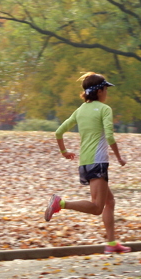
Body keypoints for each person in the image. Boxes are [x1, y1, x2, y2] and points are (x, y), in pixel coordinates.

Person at [43, 72, 130, 254]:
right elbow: (109, 135)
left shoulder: (80, 110)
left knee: (110, 201)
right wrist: (119, 157)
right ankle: (61, 203)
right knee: (97, 207)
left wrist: (64, 152)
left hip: (85, 162)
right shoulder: (105, 109)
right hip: (98, 162)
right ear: (99, 91)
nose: (107, 93)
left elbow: (59, 132)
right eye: (106, 89)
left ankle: (112, 244)